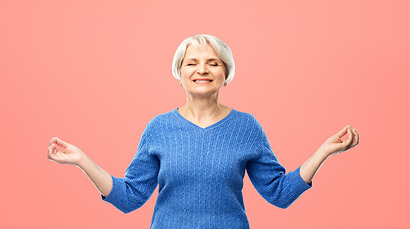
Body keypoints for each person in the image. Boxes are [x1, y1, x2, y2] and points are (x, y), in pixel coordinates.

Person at [47, 34, 359, 228]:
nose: (202, 70)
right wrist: (82, 160)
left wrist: (325, 151)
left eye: (213, 63)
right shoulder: (159, 128)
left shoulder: (246, 127)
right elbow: (129, 197)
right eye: (191, 63)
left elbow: (279, 193)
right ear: (179, 74)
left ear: (227, 73)